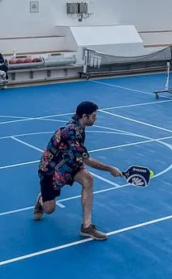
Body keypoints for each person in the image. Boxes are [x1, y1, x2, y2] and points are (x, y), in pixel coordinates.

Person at [32, 101, 123, 241]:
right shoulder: (71, 132)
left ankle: (86, 227)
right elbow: (86, 159)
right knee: (49, 209)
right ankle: (41, 199)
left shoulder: (80, 125)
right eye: (93, 116)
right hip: (51, 169)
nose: (95, 118)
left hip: (70, 163)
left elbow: (78, 156)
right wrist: (110, 168)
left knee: (88, 179)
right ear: (85, 116)